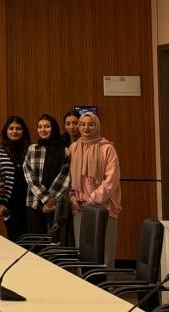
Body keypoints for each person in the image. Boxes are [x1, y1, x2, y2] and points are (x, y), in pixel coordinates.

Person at [68, 111, 121, 267]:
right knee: (82, 251)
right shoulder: (73, 148)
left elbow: (112, 180)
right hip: (79, 207)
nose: (86, 128)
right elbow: (68, 178)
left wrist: (93, 200)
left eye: (91, 124)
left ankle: (106, 283)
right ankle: (83, 282)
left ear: (97, 126)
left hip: (103, 206)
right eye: (82, 124)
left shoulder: (107, 148)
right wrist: (72, 198)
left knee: (104, 252)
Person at [23, 114, 70, 234]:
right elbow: (29, 176)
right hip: (34, 201)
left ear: (53, 128)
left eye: (47, 126)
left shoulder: (65, 150)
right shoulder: (32, 149)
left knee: (56, 239)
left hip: (56, 202)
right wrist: (45, 198)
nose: (43, 130)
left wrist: (51, 199)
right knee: (36, 240)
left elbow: (65, 176)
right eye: (40, 127)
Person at [0, 116, 31, 242]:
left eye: (18, 128)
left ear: (23, 131)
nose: (14, 131)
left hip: (29, 201)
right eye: (11, 128)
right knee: (14, 237)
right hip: (9, 202)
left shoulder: (30, 150)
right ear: (6, 131)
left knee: (29, 236)